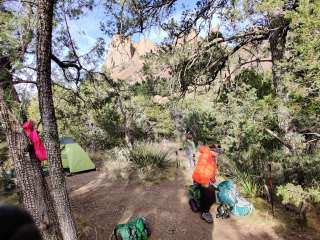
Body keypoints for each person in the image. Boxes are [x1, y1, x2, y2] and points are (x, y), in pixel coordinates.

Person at [192, 144, 222, 223]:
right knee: (208, 192)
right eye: (218, 153)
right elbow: (201, 170)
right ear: (214, 151)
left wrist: (213, 180)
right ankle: (204, 213)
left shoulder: (212, 158)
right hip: (199, 179)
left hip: (205, 179)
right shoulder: (206, 155)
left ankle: (206, 205)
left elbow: (211, 172)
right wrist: (206, 183)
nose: (218, 155)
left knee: (214, 192)